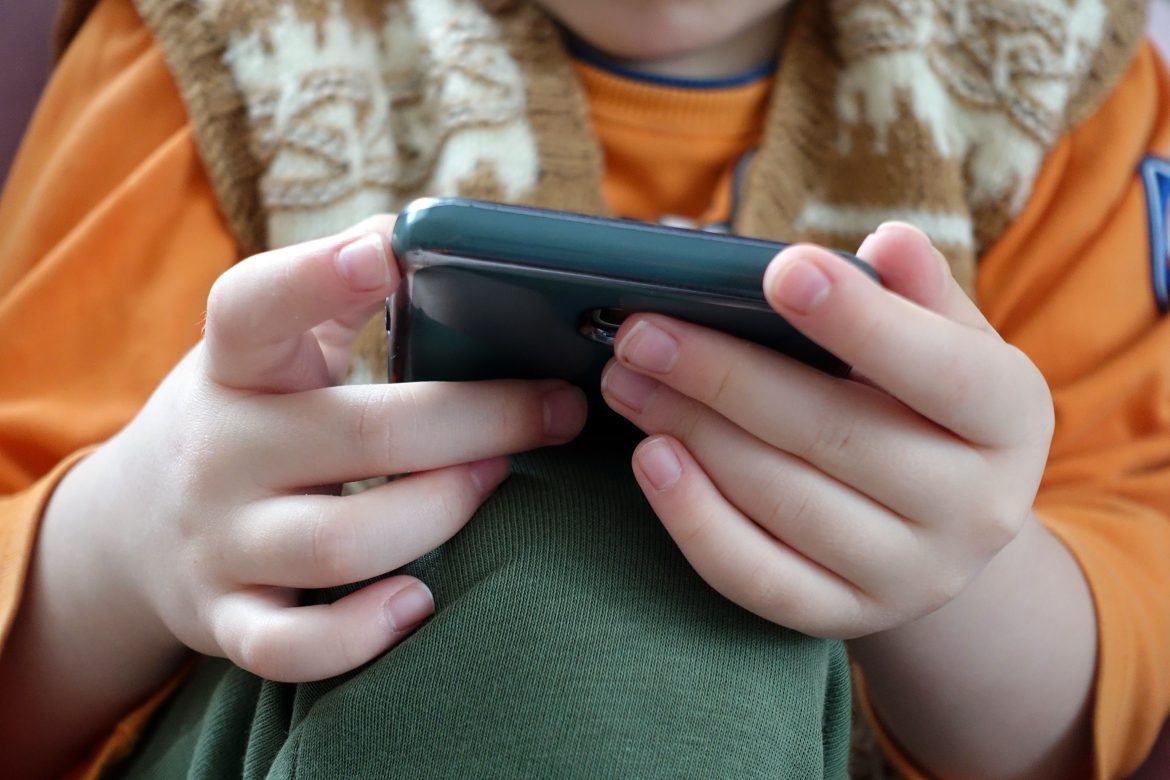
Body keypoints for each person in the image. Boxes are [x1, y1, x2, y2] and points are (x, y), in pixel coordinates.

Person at [0, 0, 1168, 777]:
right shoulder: (223, 44)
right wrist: (129, 541)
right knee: (569, 565)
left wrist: (941, 565)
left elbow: (1087, 722)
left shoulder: (1050, 83)